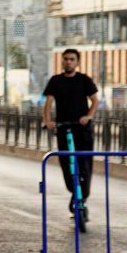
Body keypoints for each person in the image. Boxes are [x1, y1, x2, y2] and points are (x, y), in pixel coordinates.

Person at [42, 48, 98, 217]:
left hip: (82, 129)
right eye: (66, 59)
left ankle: (82, 197)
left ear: (77, 62)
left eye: (72, 59)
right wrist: (48, 121)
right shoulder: (55, 81)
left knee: (85, 165)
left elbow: (95, 100)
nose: (68, 62)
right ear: (62, 61)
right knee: (66, 164)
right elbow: (48, 102)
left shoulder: (84, 80)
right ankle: (74, 192)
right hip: (63, 128)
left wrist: (88, 116)